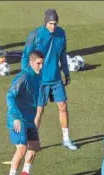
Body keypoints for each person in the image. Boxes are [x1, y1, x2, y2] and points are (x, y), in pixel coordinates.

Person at [21, 9, 78, 150]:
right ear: (46, 22)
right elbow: (25, 55)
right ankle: (32, 142)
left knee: (63, 106)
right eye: (51, 23)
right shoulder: (35, 35)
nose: (53, 26)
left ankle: (66, 139)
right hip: (40, 80)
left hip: (56, 78)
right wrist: (25, 75)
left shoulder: (61, 34)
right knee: (38, 111)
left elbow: (63, 54)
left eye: (55, 23)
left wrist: (66, 72)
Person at [4, 51, 45, 175]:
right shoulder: (23, 77)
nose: (40, 66)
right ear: (31, 62)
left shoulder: (38, 76)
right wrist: (15, 116)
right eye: (38, 63)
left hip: (29, 118)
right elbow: (9, 96)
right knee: (21, 149)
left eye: (42, 63)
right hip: (18, 120)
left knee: (34, 147)